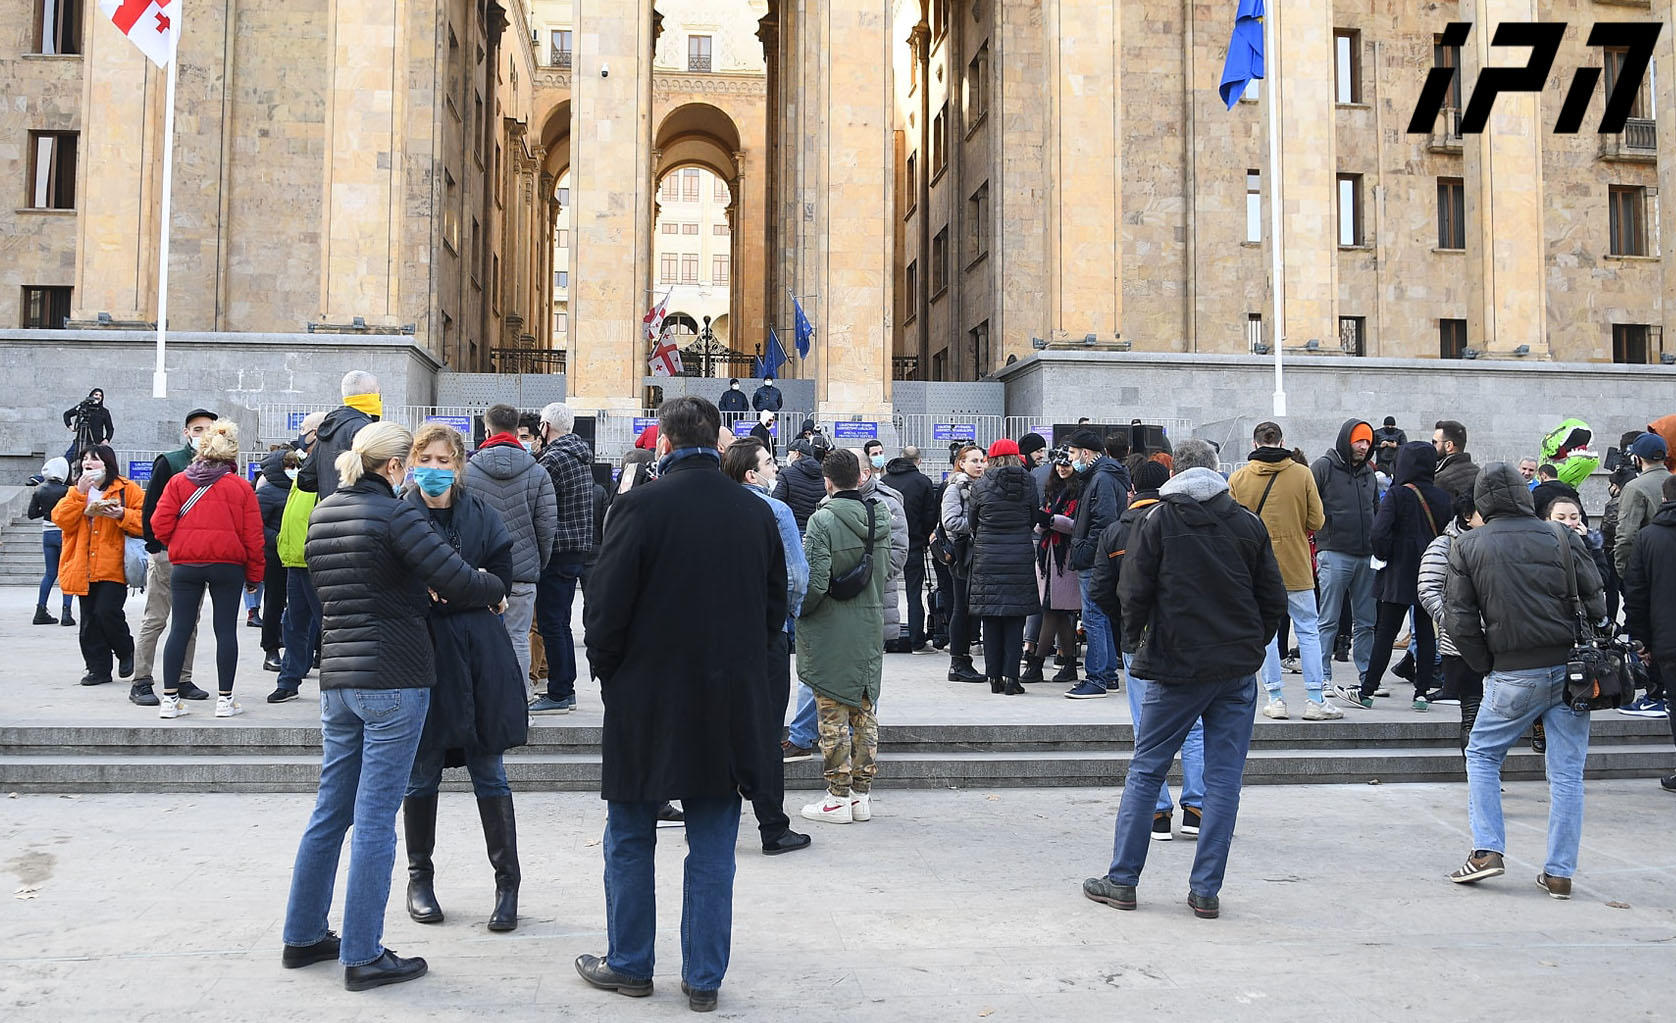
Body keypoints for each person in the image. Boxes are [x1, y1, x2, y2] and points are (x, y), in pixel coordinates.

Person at [280, 421, 506, 991]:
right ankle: (363, 953)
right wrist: (493, 590)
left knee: (331, 811)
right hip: (394, 677)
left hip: (339, 677)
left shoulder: (325, 512)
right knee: (376, 818)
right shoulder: (396, 515)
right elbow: (457, 579)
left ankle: (302, 935)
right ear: (394, 467)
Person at [576, 397, 785, 1012]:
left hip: (646, 697)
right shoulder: (755, 512)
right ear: (718, 443)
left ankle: (630, 963)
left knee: (630, 833)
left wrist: (611, 675)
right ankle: (703, 977)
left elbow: (604, 608)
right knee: (714, 841)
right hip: (727, 700)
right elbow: (775, 607)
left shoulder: (637, 505)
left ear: (663, 443)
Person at [1082, 440, 1285, 919]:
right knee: (1224, 781)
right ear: (1216, 471)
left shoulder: (1158, 521)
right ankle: (1206, 889)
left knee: (1147, 769)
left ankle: (1123, 880)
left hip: (1174, 665)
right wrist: (1251, 646)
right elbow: (1272, 599)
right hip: (1235, 669)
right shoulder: (1246, 522)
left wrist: (1137, 643)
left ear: (1175, 472)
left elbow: (1133, 591)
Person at [1444, 463, 1605, 899]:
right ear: (1523, 494)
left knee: (1482, 754)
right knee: (1567, 773)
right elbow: (1596, 600)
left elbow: (1459, 618)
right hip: (1571, 669)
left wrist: (1485, 664)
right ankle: (1559, 872)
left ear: (1483, 502)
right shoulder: (1561, 535)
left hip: (1513, 669)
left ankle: (1487, 851)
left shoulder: (1468, 544)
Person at [397, 424, 528, 933]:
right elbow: (401, 585)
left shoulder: (482, 514)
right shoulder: (401, 514)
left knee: (490, 771)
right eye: (425, 459)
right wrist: (474, 589)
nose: (435, 468)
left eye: (444, 460)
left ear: (459, 464)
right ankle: (419, 879)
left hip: (479, 658)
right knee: (422, 772)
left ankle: (507, 884)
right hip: (423, 656)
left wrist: (453, 588)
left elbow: (503, 580)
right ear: (412, 462)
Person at [1091, 459, 1208, 838]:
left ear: (1131, 491)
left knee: (1146, 725)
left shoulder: (1115, 532)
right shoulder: (1182, 525)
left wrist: (1126, 620)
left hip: (1137, 640)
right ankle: (1196, 808)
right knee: (1193, 726)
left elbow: (1100, 590)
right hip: (1182, 636)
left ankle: (1158, 813)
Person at [722, 437, 812, 855]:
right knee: (766, 727)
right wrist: (786, 617)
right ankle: (772, 826)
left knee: (721, 726)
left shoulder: (714, 507)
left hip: (719, 634)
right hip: (764, 632)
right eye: (769, 463)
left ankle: (713, 821)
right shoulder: (775, 510)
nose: (776, 468)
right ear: (751, 474)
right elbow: (796, 575)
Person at [797, 448, 892, 821]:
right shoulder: (878, 515)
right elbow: (887, 569)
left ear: (827, 481)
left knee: (832, 713)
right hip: (869, 624)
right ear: (861, 476)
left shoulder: (822, 520)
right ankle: (861, 796)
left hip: (830, 627)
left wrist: (798, 609)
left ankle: (837, 796)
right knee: (865, 711)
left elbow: (816, 582)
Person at [150, 419, 265, 719]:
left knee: (180, 628)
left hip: (186, 565)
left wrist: (180, 542)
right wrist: (254, 576)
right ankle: (225, 701)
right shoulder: (241, 487)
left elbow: (159, 524)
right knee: (225, 630)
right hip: (228, 566)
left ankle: (169, 700)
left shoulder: (178, 482)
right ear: (232, 453)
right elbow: (254, 537)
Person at [1229, 422, 1339, 720]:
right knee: (1308, 630)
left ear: (1254, 444)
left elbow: (1232, 526)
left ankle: (1275, 698)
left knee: (1266, 633)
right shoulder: (1302, 474)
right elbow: (1316, 521)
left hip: (1256, 569)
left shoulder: (1239, 478)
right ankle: (1315, 699)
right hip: (1296, 565)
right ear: (1282, 441)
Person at [1332, 441, 1449, 712]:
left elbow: (1378, 532)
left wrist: (1383, 555)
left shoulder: (1398, 494)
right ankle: (1421, 694)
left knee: (1386, 633)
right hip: (1430, 572)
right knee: (1426, 633)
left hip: (1399, 571)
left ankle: (1367, 691)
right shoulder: (1443, 496)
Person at [466, 403, 557, 703]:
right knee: (518, 637)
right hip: (522, 572)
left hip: (479, 572)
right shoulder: (537, 472)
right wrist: (538, 563)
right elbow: (547, 526)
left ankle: (483, 702)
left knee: (479, 639)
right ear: (517, 430)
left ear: (486, 430)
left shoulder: (468, 471)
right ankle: (518, 701)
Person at [133, 408, 219, 703]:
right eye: (197, 429)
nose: (203, 434)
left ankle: (183, 678)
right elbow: (151, 507)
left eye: (209, 429)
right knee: (156, 618)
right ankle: (141, 680)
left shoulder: (220, 465)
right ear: (186, 433)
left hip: (197, 556)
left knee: (189, 621)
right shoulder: (170, 462)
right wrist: (154, 547)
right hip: (167, 552)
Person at [53, 444, 145, 688]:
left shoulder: (127, 489)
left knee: (107, 612)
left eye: (94, 459)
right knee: (89, 621)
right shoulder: (76, 490)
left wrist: (121, 514)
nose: (88, 463)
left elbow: (147, 520)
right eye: (85, 459)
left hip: (113, 565)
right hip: (83, 565)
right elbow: (61, 520)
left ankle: (125, 650)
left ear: (107, 464)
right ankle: (98, 669)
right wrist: (78, 494)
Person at [530, 402, 595, 715]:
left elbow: (535, 498)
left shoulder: (554, 459)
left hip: (558, 550)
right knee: (560, 622)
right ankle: (564, 688)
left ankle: (559, 692)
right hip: (576, 548)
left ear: (545, 426)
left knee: (551, 624)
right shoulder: (577, 454)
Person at [966, 439, 1041, 694]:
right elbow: (1033, 518)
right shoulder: (1029, 482)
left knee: (991, 619)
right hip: (1019, 556)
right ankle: (1012, 679)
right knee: (1015, 619)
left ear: (993, 458)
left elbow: (972, 521)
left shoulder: (981, 484)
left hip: (988, 558)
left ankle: (994, 678)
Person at [1311, 419, 1379, 690]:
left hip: (1366, 555)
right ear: (1346, 440)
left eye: (1367, 442)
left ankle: (1367, 678)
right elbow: (1309, 504)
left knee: (1367, 622)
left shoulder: (1369, 472)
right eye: (1359, 440)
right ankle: (1322, 676)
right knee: (1328, 619)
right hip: (1333, 552)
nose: (1364, 446)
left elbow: (1375, 508)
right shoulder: (1323, 467)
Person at [1065, 428, 1130, 698]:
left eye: (1072, 453)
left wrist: (1085, 550)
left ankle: (1097, 678)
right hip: (1099, 556)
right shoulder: (1102, 475)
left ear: (1086, 453)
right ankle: (1107, 674)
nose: (1070, 459)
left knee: (1093, 617)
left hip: (1094, 558)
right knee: (1099, 616)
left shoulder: (1101, 478)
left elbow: (1102, 522)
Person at [269, 412, 328, 703]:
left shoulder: (328, 467)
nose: (300, 434)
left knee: (325, 626)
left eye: (304, 429)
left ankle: (333, 686)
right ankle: (289, 680)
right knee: (293, 624)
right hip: (295, 559)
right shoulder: (305, 467)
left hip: (317, 560)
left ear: (316, 432)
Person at [1417, 494, 1484, 749]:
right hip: (1461, 644)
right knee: (1472, 711)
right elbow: (1428, 589)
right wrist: (1454, 621)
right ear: (1467, 515)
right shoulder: (1445, 545)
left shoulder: (1496, 542)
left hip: (1499, 640)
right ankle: (1477, 768)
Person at [1622, 474, 1676, 790]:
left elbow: (1636, 594)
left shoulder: (1648, 537)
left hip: (1668, 639)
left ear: (1664, 500)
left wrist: (1641, 640)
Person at [1026, 448, 1083, 683]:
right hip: (1050, 555)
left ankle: (1037, 664)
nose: (1061, 468)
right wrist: (1042, 521)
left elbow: (1077, 524)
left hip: (1064, 558)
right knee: (1057, 613)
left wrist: (1050, 520)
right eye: (1058, 465)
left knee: (1052, 610)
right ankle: (1068, 664)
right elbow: (1043, 524)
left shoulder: (1079, 490)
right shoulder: (1054, 489)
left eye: (1066, 465)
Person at [940, 442, 987, 683]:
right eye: (974, 461)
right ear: (961, 463)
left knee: (970, 609)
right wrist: (979, 525)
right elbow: (950, 521)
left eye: (982, 461)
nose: (979, 465)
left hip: (977, 553)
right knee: (961, 608)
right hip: (962, 555)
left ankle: (964, 660)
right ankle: (957, 662)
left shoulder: (981, 486)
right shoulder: (955, 488)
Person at [297, 370, 382, 499]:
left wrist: (330, 487)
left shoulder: (329, 426)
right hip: (359, 506)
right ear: (371, 395)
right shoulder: (365, 428)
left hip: (329, 506)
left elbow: (306, 479)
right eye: (378, 392)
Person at [884, 445, 936, 651]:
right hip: (913, 545)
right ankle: (917, 641)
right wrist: (924, 538)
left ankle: (885, 640)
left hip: (886, 545)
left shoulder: (885, 481)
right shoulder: (923, 482)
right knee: (914, 594)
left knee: (884, 594)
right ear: (919, 461)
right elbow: (930, 515)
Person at [255, 446, 301, 673]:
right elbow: (256, 526)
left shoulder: (301, 490)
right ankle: (271, 649)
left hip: (298, 556)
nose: (293, 470)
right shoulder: (266, 492)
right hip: (274, 557)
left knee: (299, 606)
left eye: (295, 466)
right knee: (274, 603)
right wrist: (281, 539)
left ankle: (301, 651)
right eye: (289, 466)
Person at [27, 457, 75, 627]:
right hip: (64, 532)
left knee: (50, 573)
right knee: (67, 572)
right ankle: (66, 613)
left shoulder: (39, 489)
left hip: (47, 533)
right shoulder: (68, 490)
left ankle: (40, 610)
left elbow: (31, 514)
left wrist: (47, 510)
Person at [773, 434, 831, 532]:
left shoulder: (786, 474)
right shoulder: (823, 473)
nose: (788, 457)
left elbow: (776, 503)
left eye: (789, 453)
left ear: (797, 453)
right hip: (817, 529)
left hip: (793, 528)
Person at [1432, 420, 1479, 502]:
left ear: (1449, 445)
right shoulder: (1478, 472)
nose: (1432, 446)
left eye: (1435, 442)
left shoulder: (1441, 479)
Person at [62, 387, 115, 455]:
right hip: (80, 441)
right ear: (91, 396)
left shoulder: (104, 412)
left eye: (100, 395)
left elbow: (110, 429)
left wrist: (107, 439)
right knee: (68, 458)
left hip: (96, 443)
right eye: (96, 394)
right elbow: (67, 414)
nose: (98, 397)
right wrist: (70, 426)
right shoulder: (83, 407)